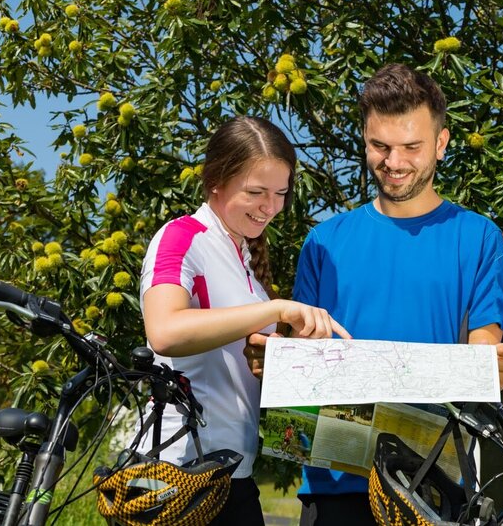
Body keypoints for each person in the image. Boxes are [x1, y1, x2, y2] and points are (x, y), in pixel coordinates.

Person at [245, 63, 503, 526]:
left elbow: (484, 356)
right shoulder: (324, 241)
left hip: (435, 487)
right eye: (379, 146)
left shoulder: (479, 237)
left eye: (411, 146)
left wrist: (493, 368)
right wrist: (274, 360)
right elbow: (302, 357)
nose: (394, 162)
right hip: (333, 483)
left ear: (442, 144)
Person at [139, 116, 349, 524]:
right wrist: (275, 309)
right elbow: (163, 331)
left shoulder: (247, 266)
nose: (270, 207)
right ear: (216, 180)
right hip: (177, 470)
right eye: (255, 192)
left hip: (234, 473)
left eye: (281, 193)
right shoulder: (182, 238)